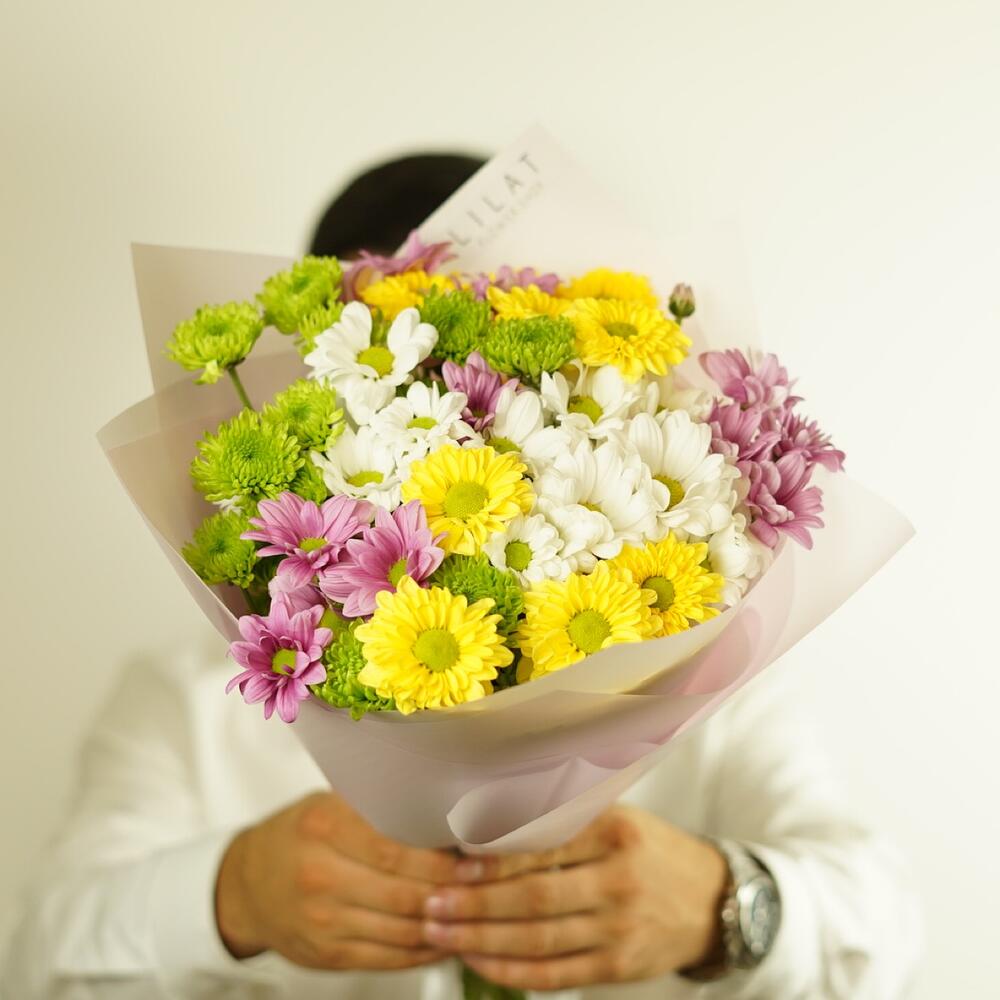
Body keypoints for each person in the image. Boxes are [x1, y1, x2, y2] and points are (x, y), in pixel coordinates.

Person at [1, 154, 920, 1000]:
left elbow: (890, 932)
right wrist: (229, 897)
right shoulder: (183, 701)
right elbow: (41, 956)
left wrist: (727, 906)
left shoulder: (709, 667)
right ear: (312, 395)